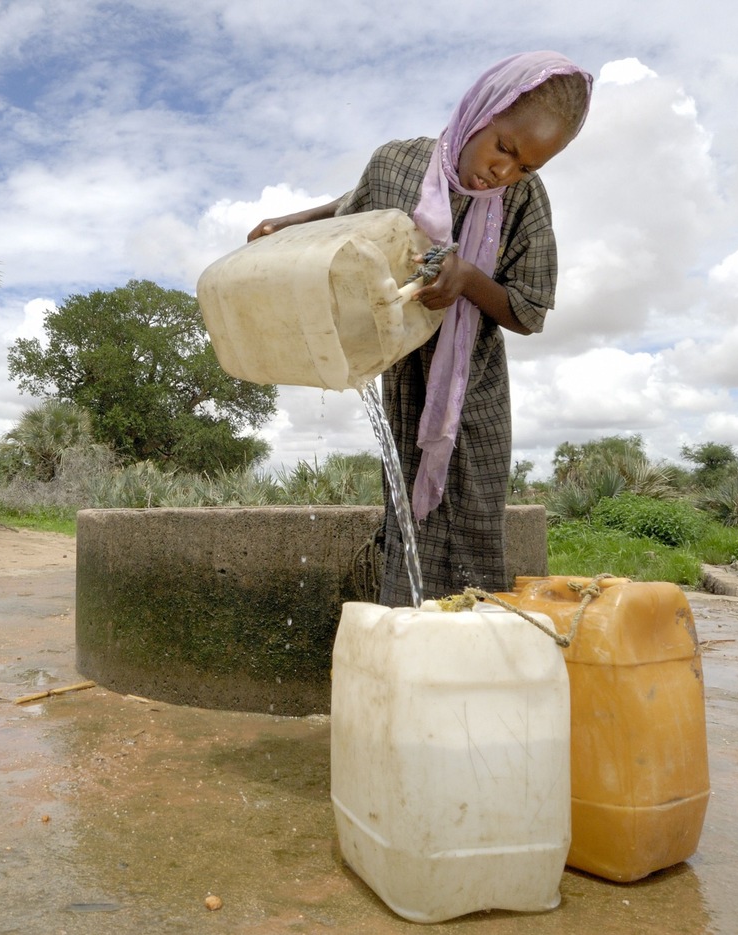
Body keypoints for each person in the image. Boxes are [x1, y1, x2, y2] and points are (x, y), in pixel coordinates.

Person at [248, 52, 593, 604]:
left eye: (527, 165)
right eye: (504, 147)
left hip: (471, 388)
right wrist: (287, 224)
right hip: (404, 375)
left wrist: (467, 279)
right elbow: (354, 212)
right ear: (482, 111)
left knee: (476, 521)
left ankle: (470, 661)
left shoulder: (522, 200)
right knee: (406, 523)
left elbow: (527, 311)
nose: (505, 171)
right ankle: (410, 653)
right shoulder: (396, 163)